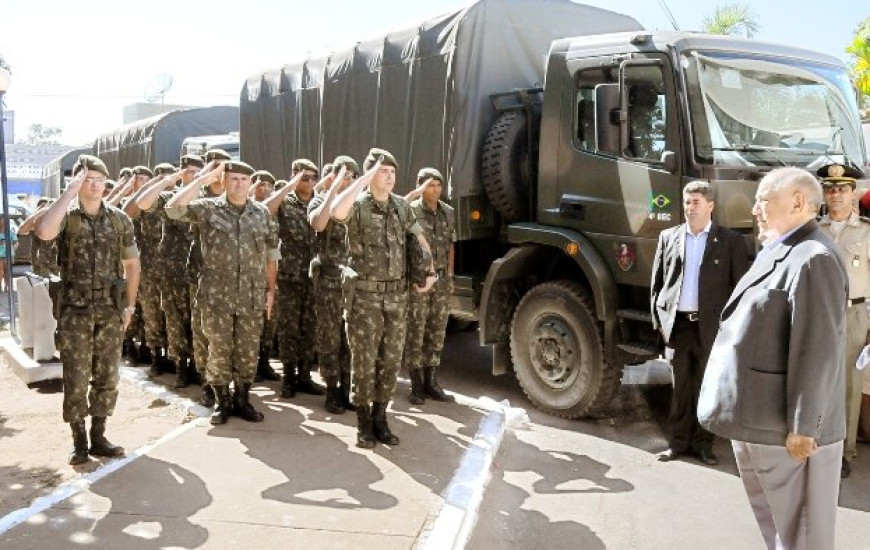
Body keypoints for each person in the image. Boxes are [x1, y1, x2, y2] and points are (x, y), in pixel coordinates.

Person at [698, 167, 847, 550]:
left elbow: (818, 348)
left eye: (763, 200)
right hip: (760, 421)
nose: (755, 210)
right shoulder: (781, 248)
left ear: (798, 202)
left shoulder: (814, 257)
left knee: (803, 536)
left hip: (789, 431)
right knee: (779, 530)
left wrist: (805, 427)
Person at [35, 155, 141, 465]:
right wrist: (69, 192)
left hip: (109, 309)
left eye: (99, 180)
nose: (95, 186)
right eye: (87, 180)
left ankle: (99, 436)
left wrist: (129, 306)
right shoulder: (66, 217)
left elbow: (132, 264)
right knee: (76, 377)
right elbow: (44, 232)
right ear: (78, 183)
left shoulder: (119, 219)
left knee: (107, 376)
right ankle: (79, 440)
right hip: (75, 310)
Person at [331, 148, 436, 448]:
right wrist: (361, 180)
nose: (390, 177)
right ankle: (363, 424)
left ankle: (381, 418)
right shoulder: (358, 205)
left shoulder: (401, 207)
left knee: (390, 363)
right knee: (364, 363)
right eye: (383, 171)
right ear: (369, 175)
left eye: (392, 172)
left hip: (396, 298)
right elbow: (336, 212)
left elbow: (419, 239)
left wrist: (430, 271)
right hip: (364, 299)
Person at [166, 160, 280, 427]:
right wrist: (201, 181)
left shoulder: (262, 213)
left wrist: (271, 289)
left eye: (244, 179)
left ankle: (242, 399)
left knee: (247, 350)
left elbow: (271, 255)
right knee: (218, 349)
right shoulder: (208, 209)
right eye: (233, 179)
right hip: (216, 296)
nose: (239, 184)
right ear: (224, 181)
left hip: (251, 294)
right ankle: (222, 401)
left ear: (250, 183)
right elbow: (173, 209)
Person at [650, 181, 749, 465]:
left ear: (710, 205)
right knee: (679, 389)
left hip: (711, 328)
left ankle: (703, 445)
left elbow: (740, 288)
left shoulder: (729, 241)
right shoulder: (669, 236)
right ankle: (677, 443)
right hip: (678, 326)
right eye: (687, 202)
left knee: (707, 388)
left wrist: (731, 329)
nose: (690, 208)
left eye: (696, 202)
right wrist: (659, 321)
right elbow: (657, 283)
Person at [816, 163, 869, 478]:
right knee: (818, 379)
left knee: (850, 384)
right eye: (830, 189)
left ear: (853, 194)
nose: (836, 194)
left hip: (854, 314)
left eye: (842, 189)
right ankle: (819, 442)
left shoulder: (866, 231)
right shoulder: (813, 230)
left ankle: (844, 450)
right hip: (819, 314)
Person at [135, 155, 204, 388]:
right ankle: (180, 366)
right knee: (174, 320)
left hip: (198, 271)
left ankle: (197, 365)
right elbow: (143, 204)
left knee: (197, 322)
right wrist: (167, 180)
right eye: (189, 171)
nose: (193, 176)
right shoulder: (169, 197)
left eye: (198, 172)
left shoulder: (206, 201)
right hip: (172, 271)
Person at [263, 160, 325, 398]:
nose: (309, 182)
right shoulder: (285, 201)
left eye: (313, 177)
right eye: (303, 177)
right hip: (290, 275)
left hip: (314, 276)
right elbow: (265, 210)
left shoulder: (320, 201)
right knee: (289, 329)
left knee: (309, 328)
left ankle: (305, 376)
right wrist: (288, 187)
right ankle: (289, 378)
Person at [307, 156, 359, 411]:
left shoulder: (359, 204)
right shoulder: (320, 201)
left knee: (351, 341)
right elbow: (318, 223)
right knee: (330, 339)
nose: (347, 180)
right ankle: (331, 390)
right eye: (343, 175)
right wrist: (334, 188)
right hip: (329, 281)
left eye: (352, 176)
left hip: (355, 283)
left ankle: (347, 390)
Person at [402, 168, 457, 405]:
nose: (435, 190)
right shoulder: (411, 210)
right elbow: (401, 238)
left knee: (437, 330)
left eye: (438, 185)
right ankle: (416, 384)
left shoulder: (448, 212)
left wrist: (451, 275)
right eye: (430, 185)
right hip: (420, 278)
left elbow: (451, 244)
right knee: (416, 329)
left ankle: (431, 382)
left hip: (442, 278)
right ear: (420, 186)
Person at [188, 149, 231, 406]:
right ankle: (206, 382)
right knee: (203, 332)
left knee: (227, 334)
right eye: (215, 166)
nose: (220, 171)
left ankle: (226, 383)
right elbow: (177, 206)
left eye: (224, 166)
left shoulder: (234, 195)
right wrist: (201, 179)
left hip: (232, 279)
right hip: (202, 274)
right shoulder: (199, 196)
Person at [124, 164, 173, 377]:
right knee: (149, 312)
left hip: (172, 267)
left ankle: (172, 356)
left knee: (169, 314)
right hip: (148, 266)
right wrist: (151, 185)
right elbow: (129, 212)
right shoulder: (146, 201)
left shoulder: (176, 199)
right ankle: (154, 356)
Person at [250, 169, 281, 382]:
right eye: (261, 184)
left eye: (270, 185)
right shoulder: (249, 211)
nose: (266, 189)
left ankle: (263, 363)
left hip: (270, 271)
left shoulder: (273, 214)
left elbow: (273, 248)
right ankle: (249, 367)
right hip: (249, 276)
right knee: (251, 325)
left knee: (269, 321)